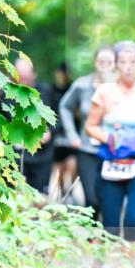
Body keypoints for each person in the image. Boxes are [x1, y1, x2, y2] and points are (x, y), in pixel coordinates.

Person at [85, 41, 135, 242]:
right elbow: (90, 126)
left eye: (133, 61)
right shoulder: (104, 91)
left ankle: (129, 256)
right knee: (110, 221)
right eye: (123, 62)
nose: (129, 67)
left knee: (132, 216)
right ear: (116, 65)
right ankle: (102, 263)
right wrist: (110, 138)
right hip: (112, 160)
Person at [59, 45, 117, 220]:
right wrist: (72, 134)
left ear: (115, 64)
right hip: (86, 149)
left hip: (113, 150)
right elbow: (65, 107)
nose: (105, 65)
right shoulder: (82, 85)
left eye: (109, 61)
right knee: (92, 197)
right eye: (101, 61)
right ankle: (92, 236)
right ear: (95, 63)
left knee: (109, 197)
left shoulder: (120, 88)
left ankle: (109, 236)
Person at [13, 57, 55, 195]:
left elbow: (58, 119)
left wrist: (49, 131)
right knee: (17, 197)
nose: (24, 79)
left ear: (34, 74)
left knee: (40, 198)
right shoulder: (6, 95)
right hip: (15, 157)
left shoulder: (46, 92)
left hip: (41, 157)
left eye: (26, 76)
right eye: (20, 75)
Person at [49, 62, 79, 202]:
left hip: (71, 134)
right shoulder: (52, 90)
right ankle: (62, 194)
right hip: (56, 135)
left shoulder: (72, 89)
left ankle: (70, 192)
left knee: (72, 164)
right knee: (58, 169)